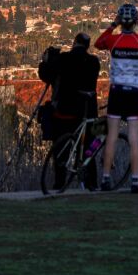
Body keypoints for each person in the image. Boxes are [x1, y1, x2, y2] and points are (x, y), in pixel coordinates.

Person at [95, 3, 138, 194]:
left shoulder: (114, 41)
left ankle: (105, 179)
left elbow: (98, 43)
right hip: (133, 92)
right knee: (134, 139)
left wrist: (113, 25)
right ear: (135, 21)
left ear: (121, 20)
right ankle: (135, 181)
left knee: (111, 136)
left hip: (116, 92)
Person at [45, 32, 101, 190]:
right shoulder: (94, 62)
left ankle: (59, 183)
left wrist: (46, 61)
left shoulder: (63, 59)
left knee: (61, 151)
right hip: (88, 113)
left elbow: (47, 75)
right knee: (89, 151)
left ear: (74, 42)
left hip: (65, 113)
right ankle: (92, 184)